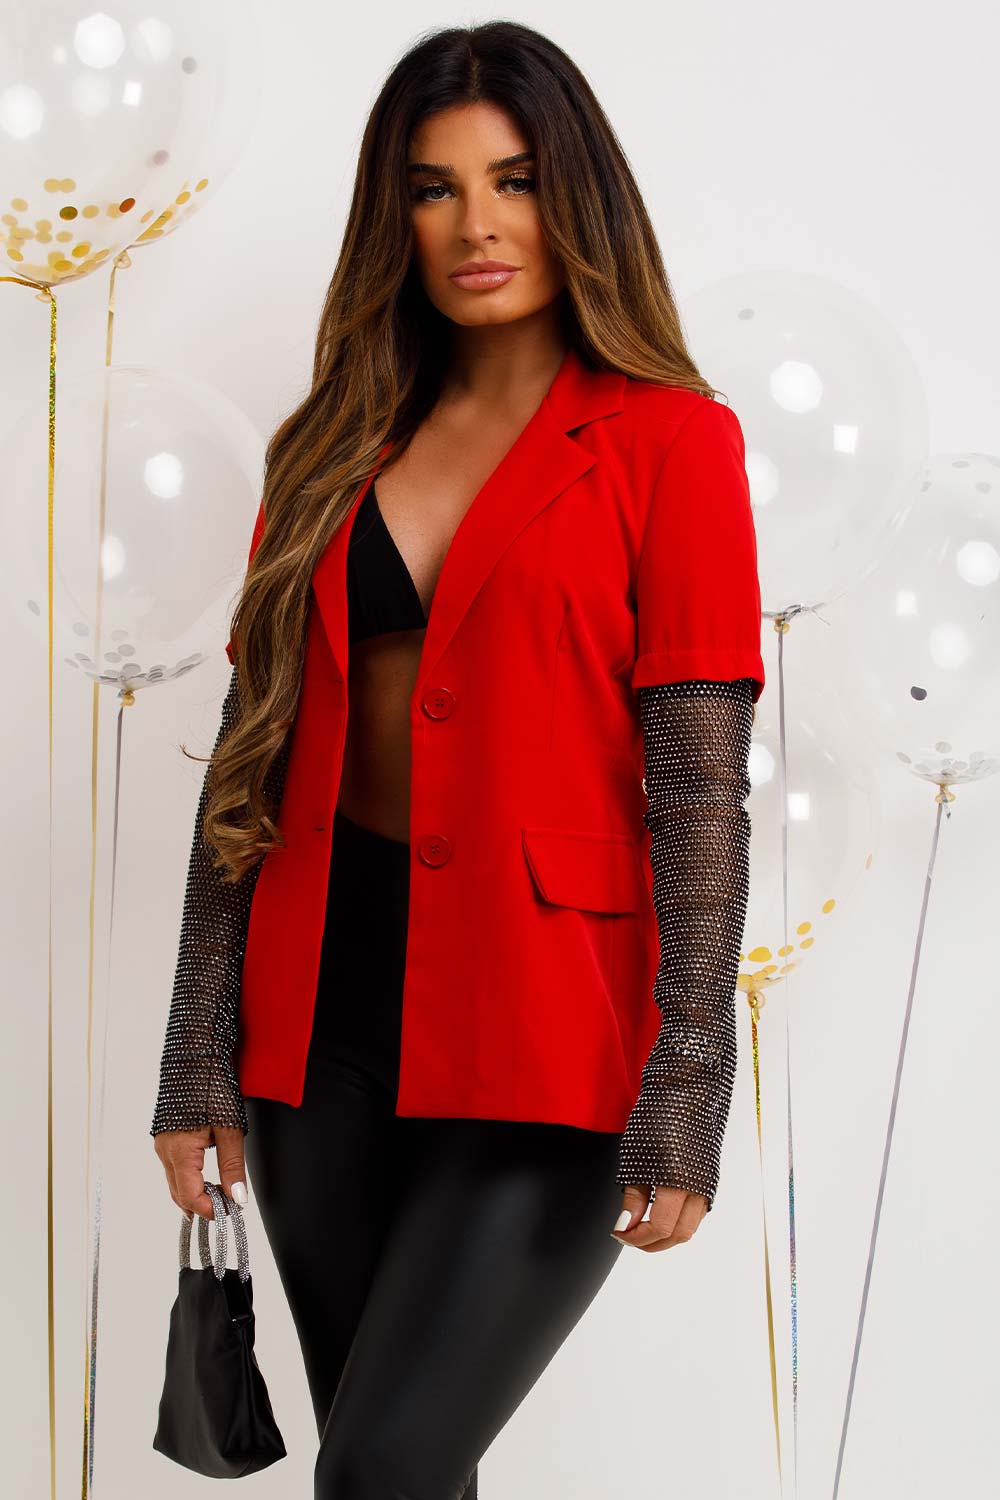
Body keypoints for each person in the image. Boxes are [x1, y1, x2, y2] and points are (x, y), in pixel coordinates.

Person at [151, 19, 765, 1498]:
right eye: (436, 188)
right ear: (397, 216)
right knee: (394, 1474)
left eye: (516, 180)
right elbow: (246, 764)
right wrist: (195, 1054)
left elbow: (699, 786)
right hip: (318, 1029)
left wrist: (690, 1073)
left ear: (578, 198)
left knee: (383, 1469)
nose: (478, 224)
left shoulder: (673, 444)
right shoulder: (327, 446)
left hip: (547, 1031)